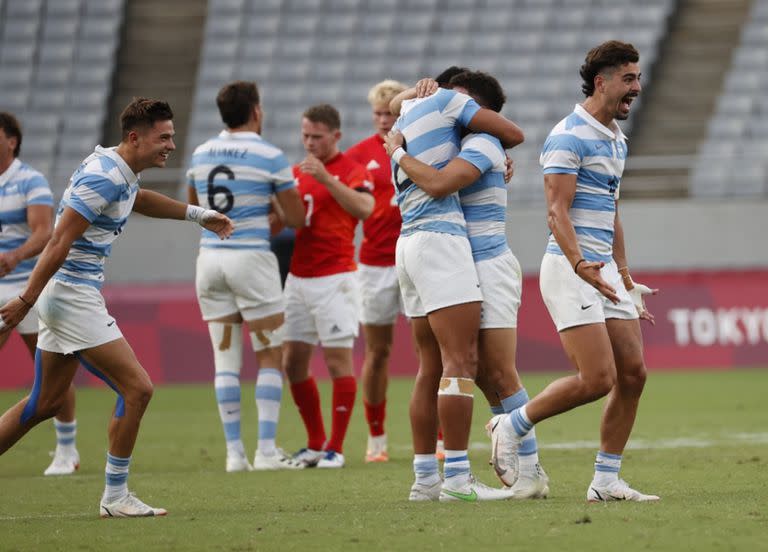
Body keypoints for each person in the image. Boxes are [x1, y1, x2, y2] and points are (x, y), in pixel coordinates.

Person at [0, 98, 233, 518]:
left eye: (172, 137)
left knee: (44, 403)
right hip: (71, 294)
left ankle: (115, 497)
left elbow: (138, 198)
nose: (170, 146)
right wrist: (24, 299)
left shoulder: (117, 169)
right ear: (134, 137)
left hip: (67, 292)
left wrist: (199, 215)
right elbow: (57, 240)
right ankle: (115, 496)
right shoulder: (105, 177)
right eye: (163, 138)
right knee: (137, 388)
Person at [487, 41, 660, 502]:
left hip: (602, 271)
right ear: (601, 82)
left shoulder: (616, 140)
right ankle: (512, 423)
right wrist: (582, 264)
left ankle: (605, 482)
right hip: (569, 267)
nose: (637, 88)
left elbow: (611, 210)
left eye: (638, 78)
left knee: (634, 373)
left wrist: (624, 276)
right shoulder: (567, 136)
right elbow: (556, 213)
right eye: (628, 79)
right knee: (597, 378)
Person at [385, 70, 548, 499]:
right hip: (448, 257)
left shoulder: (482, 142)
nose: (444, 104)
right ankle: (448, 477)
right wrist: (416, 94)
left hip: (486, 264)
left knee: (498, 372)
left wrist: (399, 152)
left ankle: (530, 470)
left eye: (458, 100)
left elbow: (441, 181)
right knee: (455, 367)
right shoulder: (449, 140)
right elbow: (397, 111)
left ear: (478, 108)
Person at [187, 81, 306, 472]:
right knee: (270, 355)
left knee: (225, 361)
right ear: (256, 111)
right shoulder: (268, 155)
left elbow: (194, 208)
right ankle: (267, 450)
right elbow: (295, 218)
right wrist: (268, 211)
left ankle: (234, 454)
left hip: (210, 261)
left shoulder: (201, 153)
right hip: (251, 260)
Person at [283, 104, 374, 469]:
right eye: (305, 136)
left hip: (336, 278)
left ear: (335, 136)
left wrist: (326, 179)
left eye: (317, 137)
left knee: (338, 362)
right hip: (297, 279)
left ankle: (336, 448)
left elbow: (365, 208)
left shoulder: (350, 171)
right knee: (293, 364)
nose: (310, 143)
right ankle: (315, 443)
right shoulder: (294, 174)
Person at [0, 112, 82, 476]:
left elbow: (44, 232)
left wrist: (15, 256)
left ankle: (67, 449)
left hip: (25, 286)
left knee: (51, 369)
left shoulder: (29, 181)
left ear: (12, 140)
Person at [345, 79, 406, 463]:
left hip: (416, 257)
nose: (384, 120)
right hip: (374, 263)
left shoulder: (419, 148)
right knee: (377, 352)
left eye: (391, 113)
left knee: (431, 349)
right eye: (379, 114)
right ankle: (377, 438)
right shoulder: (357, 155)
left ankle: (436, 437)